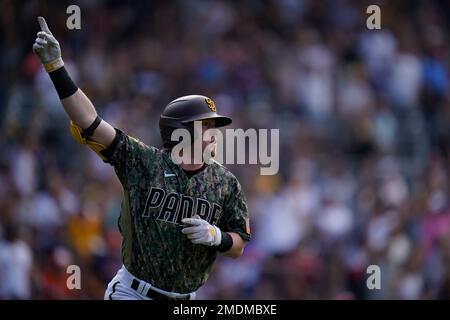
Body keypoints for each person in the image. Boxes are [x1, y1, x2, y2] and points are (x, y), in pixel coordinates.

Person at [32, 16, 251, 300]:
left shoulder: (225, 182)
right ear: (181, 131)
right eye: (206, 126)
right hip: (134, 294)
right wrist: (56, 67)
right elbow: (90, 122)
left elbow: (238, 246)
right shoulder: (143, 162)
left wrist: (217, 237)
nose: (214, 134)